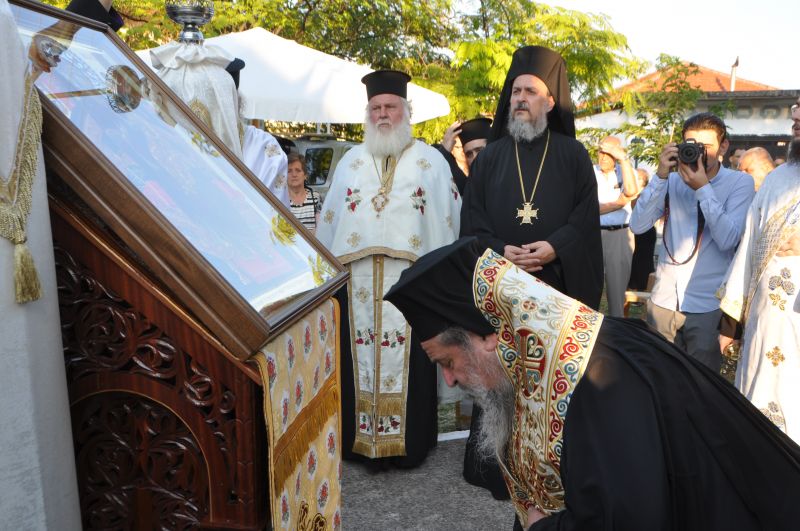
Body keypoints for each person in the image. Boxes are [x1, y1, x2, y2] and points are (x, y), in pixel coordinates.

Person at [384, 237, 800, 531]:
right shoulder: (538, 359)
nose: (450, 379)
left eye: (448, 361)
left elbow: (630, 518)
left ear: (489, 334)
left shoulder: (597, 381)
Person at [315, 70, 461, 467]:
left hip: (412, 284)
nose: (383, 114)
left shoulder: (432, 161)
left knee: (412, 360)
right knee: (355, 361)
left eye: (390, 107)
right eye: (376, 108)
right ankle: (358, 442)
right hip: (356, 281)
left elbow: (447, 220)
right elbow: (332, 222)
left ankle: (408, 443)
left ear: (406, 111)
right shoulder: (351, 162)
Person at [460, 45, 602, 310]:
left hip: (557, 288)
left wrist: (555, 247)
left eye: (530, 91)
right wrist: (500, 250)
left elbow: (585, 218)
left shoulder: (573, 154)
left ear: (549, 102)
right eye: (516, 91)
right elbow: (472, 219)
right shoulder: (490, 157)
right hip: (501, 286)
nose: (520, 98)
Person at [630, 112, 754, 371]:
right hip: (664, 300)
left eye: (705, 147)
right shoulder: (671, 180)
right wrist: (660, 176)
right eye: (690, 144)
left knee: (701, 384)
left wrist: (702, 189)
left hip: (707, 304)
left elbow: (729, 240)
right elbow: (638, 225)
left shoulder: (740, 182)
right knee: (659, 377)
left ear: (723, 147)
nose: (697, 152)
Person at [718, 112, 800, 443]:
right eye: (796, 105)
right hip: (764, 322)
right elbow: (749, 245)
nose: (796, 114)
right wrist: (731, 322)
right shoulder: (778, 179)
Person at [594, 136, 639, 316]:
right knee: (588, 290)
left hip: (620, 235)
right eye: (601, 151)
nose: (603, 157)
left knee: (617, 293)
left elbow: (630, 192)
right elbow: (587, 209)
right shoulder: (589, 172)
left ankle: (616, 336)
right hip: (593, 235)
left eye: (609, 152)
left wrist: (623, 160)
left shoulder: (627, 171)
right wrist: (617, 204)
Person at [434, 117, 491, 195]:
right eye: (469, 154)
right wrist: (445, 151)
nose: (475, 157)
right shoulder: (471, 190)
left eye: (479, 150)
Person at [627, 167, 656, 291]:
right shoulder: (631, 192)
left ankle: (642, 287)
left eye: (638, 178)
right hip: (634, 229)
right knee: (634, 258)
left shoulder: (646, 193)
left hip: (646, 230)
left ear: (644, 180)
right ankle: (633, 286)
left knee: (643, 258)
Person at [286, 152, 321, 233]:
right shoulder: (280, 199)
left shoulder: (315, 197)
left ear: (305, 175)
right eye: (289, 171)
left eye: (298, 170)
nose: (294, 174)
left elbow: (321, 228)